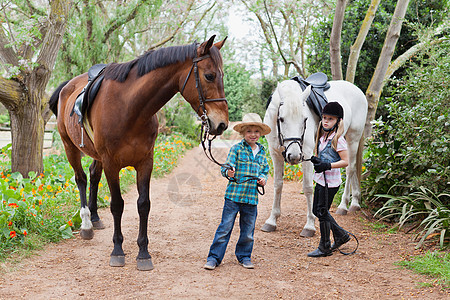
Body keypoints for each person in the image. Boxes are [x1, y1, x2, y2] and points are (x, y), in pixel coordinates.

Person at [204, 113, 271, 270]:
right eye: (249, 131)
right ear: (243, 133)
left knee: (248, 231)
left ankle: (244, 256)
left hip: (251, 198)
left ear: (260, 133)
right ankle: (214, 258)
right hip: (233, 196)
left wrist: (262, 179)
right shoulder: (236, 149)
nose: (253, 134)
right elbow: (226, 167)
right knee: (225, 228)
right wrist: (229, 172)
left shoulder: (261, 152)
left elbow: (265, 170)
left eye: (256, 131)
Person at [308, 102, 351, 257]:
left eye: (330, 119)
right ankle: (340, 236)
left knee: (321, 210)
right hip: (320, 180)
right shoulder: (322, 137)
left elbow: (346, 161)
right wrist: (317, 161)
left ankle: (325, 246)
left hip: (331, 183)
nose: (326, 121)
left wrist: (327, 165)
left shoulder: (338, 139)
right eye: (324, 118)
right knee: (317, 210)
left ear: (338, 121)